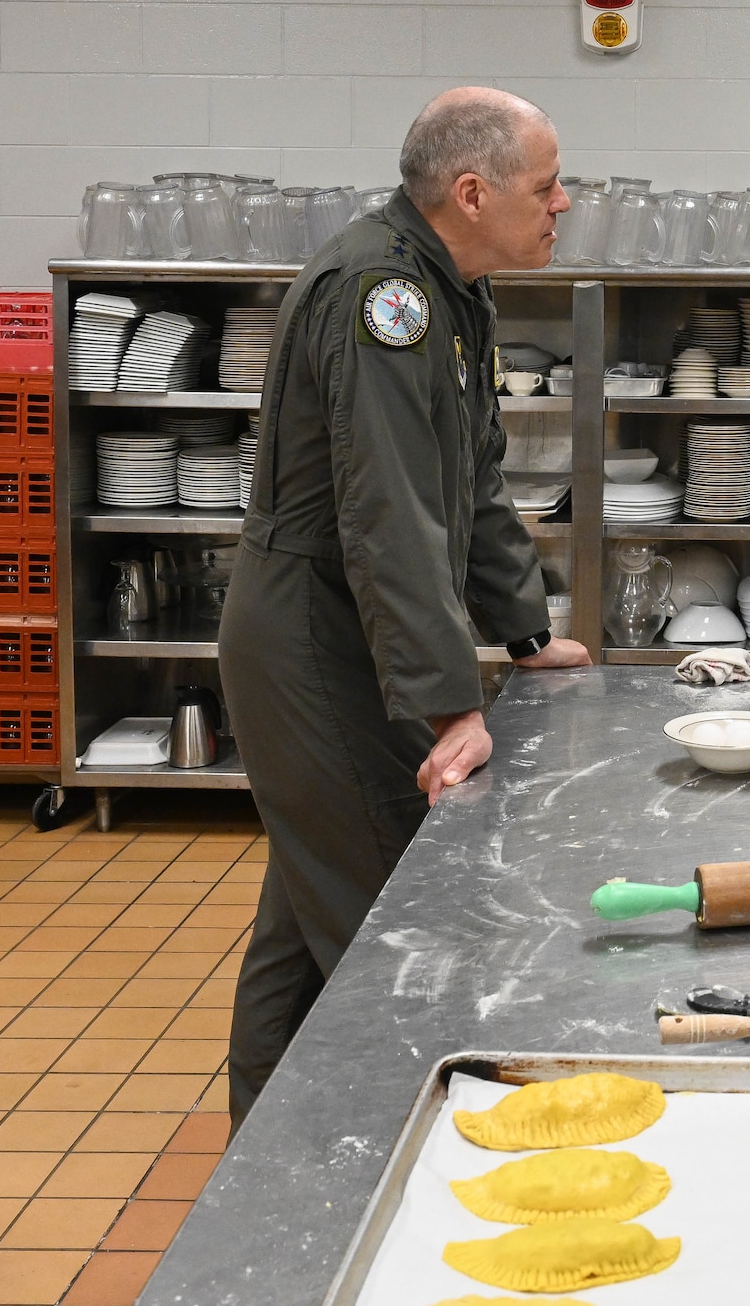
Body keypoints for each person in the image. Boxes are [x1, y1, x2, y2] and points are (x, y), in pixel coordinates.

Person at [217, 87, 591, 1132]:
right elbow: (385, 512)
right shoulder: (384, 294)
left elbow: (469, 480)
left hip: (351, 625)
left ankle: (265, 1155)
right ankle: (374, 1158)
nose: (564, 202)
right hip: (315, 639)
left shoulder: (451, 286)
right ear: (470, 194)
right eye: (546, 184)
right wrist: (446, 707)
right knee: (394, 916)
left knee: (303, 918)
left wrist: (523, 631)